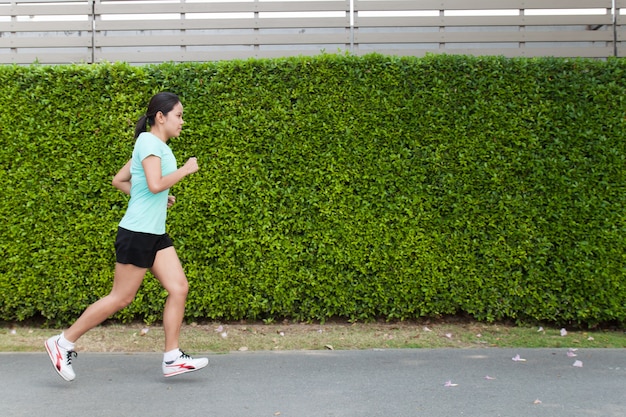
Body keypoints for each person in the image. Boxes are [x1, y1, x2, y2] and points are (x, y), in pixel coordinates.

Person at [45, 92, 208, 381]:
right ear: (161, 117)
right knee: (121, 297)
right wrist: (183, 171)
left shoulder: (156, 145)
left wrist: (151, 195)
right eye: (179, 115)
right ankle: (63, 342)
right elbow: (156, 183)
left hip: (154, 232)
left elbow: (121, 180)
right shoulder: (148, 141)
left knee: (179, 287)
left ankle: (172, 357)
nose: (183, 121)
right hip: (138, 232)